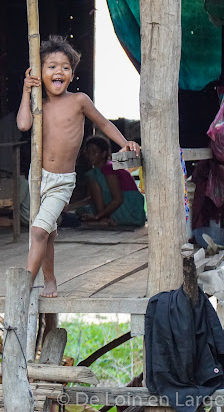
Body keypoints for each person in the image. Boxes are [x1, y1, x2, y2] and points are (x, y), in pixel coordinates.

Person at [16, 35, 141, 297]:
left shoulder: (79, 101)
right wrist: (27, 91)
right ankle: (49, 280)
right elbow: (23, 125)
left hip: (62, 181)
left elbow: (104, 123)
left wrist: (124, 142)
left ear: (72, 74)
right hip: (37, 177)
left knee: (38, 231)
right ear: (40, 73)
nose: (58, 71)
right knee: (45, 232)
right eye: (51, 66)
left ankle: (23, 284)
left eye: (65, 67)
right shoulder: (39, 103)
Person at [78, 136, 146, 226]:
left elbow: (118, 199)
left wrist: (97, 217)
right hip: (130, 212)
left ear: (104, 154)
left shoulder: (108, 168)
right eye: (88, 152)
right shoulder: (106, 167)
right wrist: (69, 207)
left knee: (92, 175)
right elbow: (93, 198)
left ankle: (104, 219)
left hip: (129, 212)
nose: (90, 156)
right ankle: (103, 219)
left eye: (94, 152)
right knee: (81, 211)